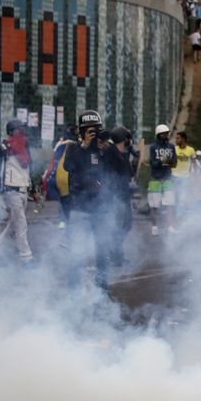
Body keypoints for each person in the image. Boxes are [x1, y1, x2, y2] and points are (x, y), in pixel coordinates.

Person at [64, 110, 128, 289]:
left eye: (97, 130)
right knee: (77, 253)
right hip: (80, 208)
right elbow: (68, 166)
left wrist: (110, 149)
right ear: (82, 131)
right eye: (90, 131)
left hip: (101, 209)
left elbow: (123, 171)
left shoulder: (105, 150)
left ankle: (102, 289)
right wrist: (85, 146)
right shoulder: (75, 148)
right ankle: (74, 291)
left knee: (102, 252)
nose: (94, 134)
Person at [0, 119, 33, 263]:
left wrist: (32, 188)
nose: (21, 132)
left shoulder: (25, 146)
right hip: (10, 190)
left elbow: (27, 169)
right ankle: (26, 257)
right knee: (21, 224)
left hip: (23, 189)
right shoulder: (3, 148)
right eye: (18, 129)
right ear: (10, 132)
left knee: (13, 223)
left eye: (22, 129)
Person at [109, 126, 135, 267]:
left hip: (124, 196)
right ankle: (115, 255)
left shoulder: (122, 154)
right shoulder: (112, 154)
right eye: (127, 139)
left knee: (126, 225)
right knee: (119, 226)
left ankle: (115, 252)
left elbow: (129, 174)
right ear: (123, 139)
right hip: (116, 197)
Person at [147, 124, 178, 236]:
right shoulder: (153, 148)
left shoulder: (171, 147)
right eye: (164, 133)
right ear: (159, 135)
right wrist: (163, 161)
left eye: (167, 133)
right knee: (154, 205)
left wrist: (167, 162)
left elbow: (174, 162)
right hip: (155, 179)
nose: (166, 135)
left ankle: (169, 226)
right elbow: (152, 163)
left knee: (170, 204)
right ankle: (154, 227)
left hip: (168, 179)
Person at [172, 131, 197, 213]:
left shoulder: (191, 150)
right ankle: (174, 215)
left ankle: (180, 215)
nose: (176, 140)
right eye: (176, 138)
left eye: (178, 138)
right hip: (174, 177)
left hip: (185, 178)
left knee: (182, 198)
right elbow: (168, 162)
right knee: (174, 197)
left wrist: (194, 175)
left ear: (183, 139)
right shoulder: (173, 149)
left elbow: (194, 163)